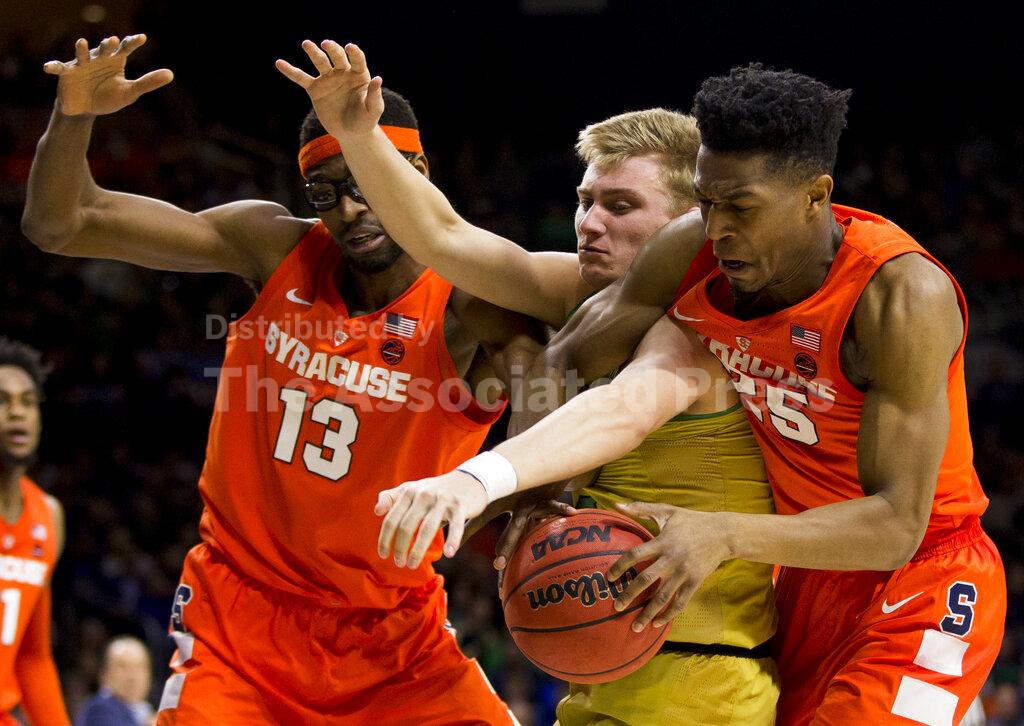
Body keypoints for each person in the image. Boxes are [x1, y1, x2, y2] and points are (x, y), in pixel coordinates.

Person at [376, 64, 1006, 726]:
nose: (719, 227)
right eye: (707, 203)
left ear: (815, 195)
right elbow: (571, 363)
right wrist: (537, 493)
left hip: (922, 572)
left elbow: (897, 527)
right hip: (802, 571)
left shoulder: (900, 297)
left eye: (741, 207)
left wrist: (724, 533)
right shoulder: (696, 248)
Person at [23, 34, 540, 724]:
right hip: (239, 622)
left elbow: (553, 396)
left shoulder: (471, 301)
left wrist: (524, 497)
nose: (348, 211)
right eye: (325, 193)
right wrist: (73, 116)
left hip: (390, 634)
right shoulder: (274, 246)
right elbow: (62, 223)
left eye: (362, 185)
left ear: (413, 170)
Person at [277, 41, 778, 724]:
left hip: (705, 675)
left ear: (687, 221)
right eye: (585, 201)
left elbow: (622, 410)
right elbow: (443, 237)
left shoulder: (713, 318)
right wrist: (358, 137)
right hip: (601, 673)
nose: (590, 223)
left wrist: (479, 481)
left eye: (621, 205)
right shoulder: (575, 292)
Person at [0, 338, 69, 726]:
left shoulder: (48, 516)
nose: (17, 412)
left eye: (27, 402)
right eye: (2, 401)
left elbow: (33, 657)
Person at [75, 636, 154, 726]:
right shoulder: (99, 710)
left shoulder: (144, 711)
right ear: (104, 674)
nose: (133, 676)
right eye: (123, 666)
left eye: (140, 667)